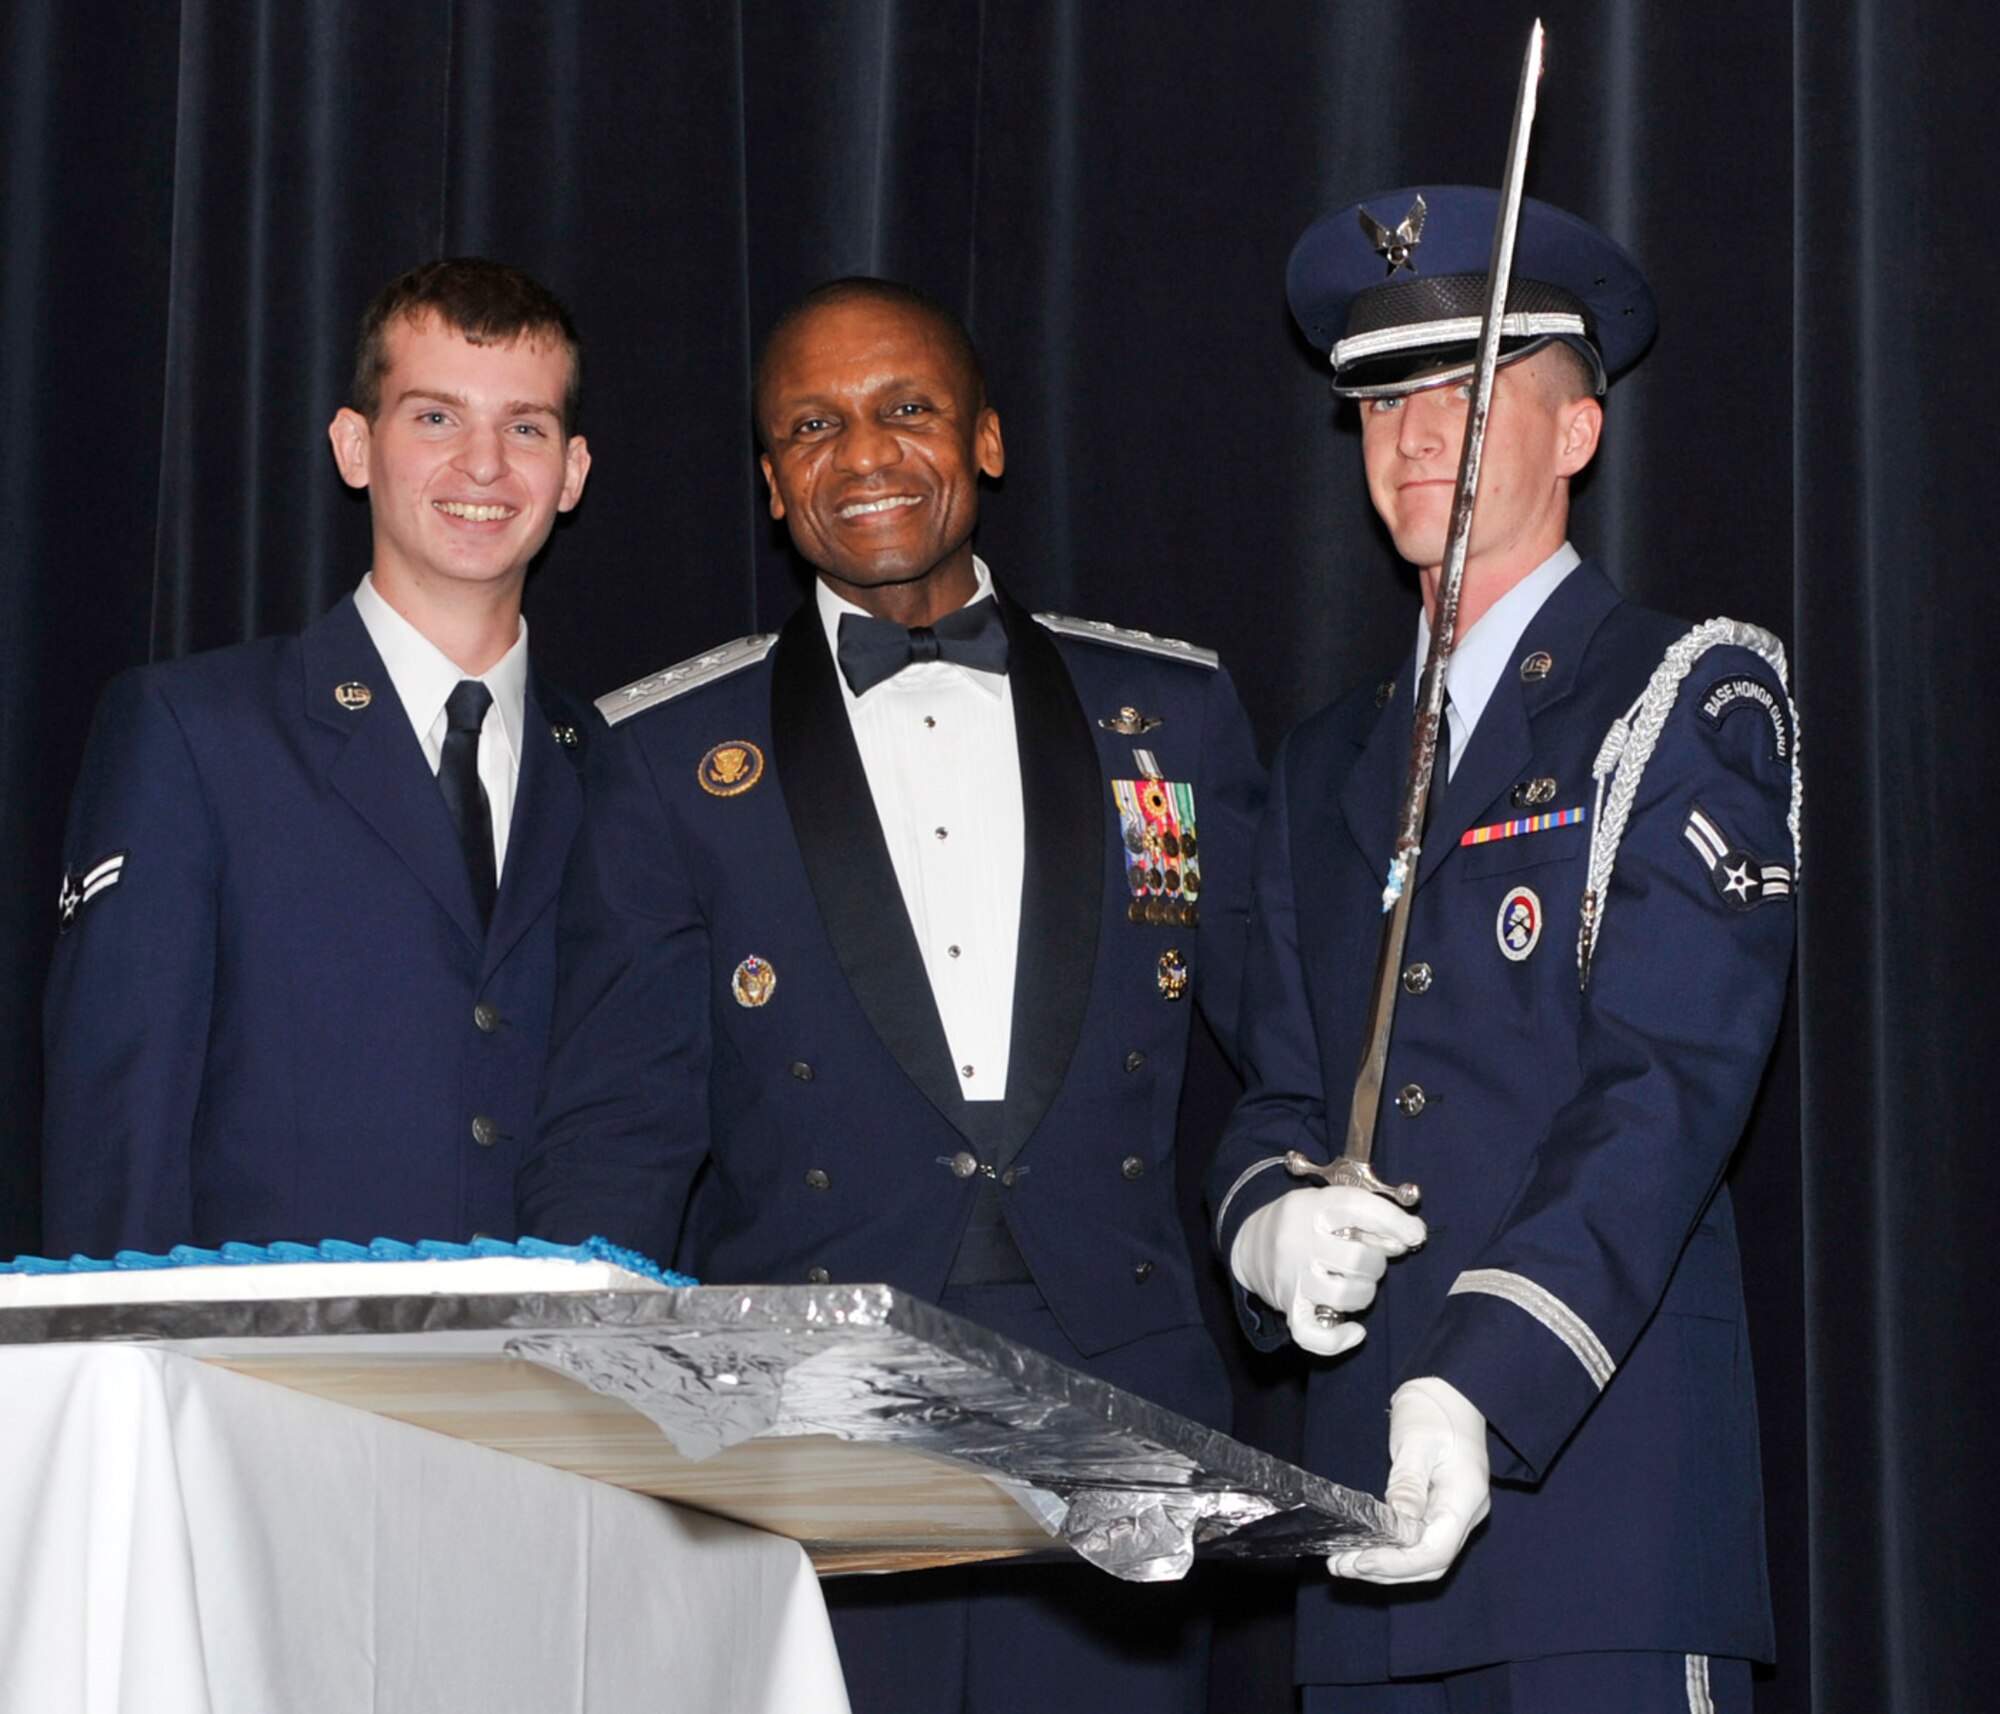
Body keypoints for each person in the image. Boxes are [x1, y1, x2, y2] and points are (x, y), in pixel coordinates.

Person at [520, 277, 1264, 1711]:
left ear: (985, 439)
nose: (863, 454)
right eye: (813, 425)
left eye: (905, 409)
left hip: (1116, 1406)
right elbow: (621, 1124)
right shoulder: (670, 751)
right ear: (771, 480)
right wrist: (582, 1411)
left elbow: (1275, 1052)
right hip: (810, 1408)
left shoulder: (1167, 713)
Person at [1205, 189, 1800, 1712]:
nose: (1416, 435)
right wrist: (1264, 1229)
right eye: (1386, 398)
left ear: (1577, 434)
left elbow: (1665, 1088)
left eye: (1468, 395)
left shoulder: (1679, 699)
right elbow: (1279, 1086)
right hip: (1357, 1534)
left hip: (1592, 1513)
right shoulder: (1331, 757)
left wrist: (1485, 1378)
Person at [42, 258, 595, 1256]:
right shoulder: (193, 733)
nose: (483, 465)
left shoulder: (613, 766)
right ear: (354, 446)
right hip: (270, 1391)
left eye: (525, 426)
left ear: (572, 471)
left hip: (551, 1397)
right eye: (434, 418)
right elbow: (120, 1140)